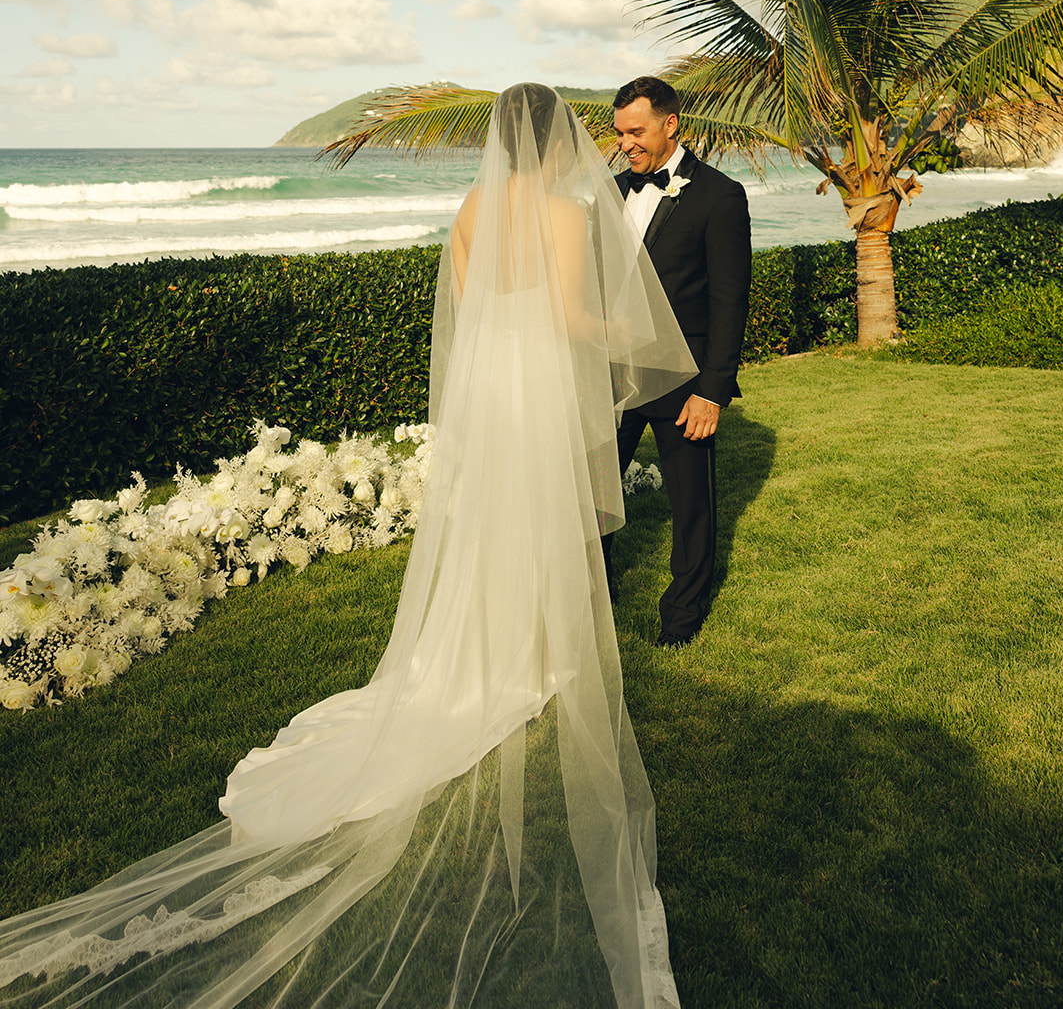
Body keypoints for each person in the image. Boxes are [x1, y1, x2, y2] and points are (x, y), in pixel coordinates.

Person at [0, 84, 698, 1009]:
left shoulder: (476, 204)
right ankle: (525, 655)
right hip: (530, 383)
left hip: (488, 384)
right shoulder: (568, 212)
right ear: (556, 143)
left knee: (489, 520)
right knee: (534, 519)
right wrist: (637, 333)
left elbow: (463, 302)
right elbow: (570, 321)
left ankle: (483, 650)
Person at [607, 76, 752, 649]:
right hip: (610, 375)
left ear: (671, 124)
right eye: (619, 134)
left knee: (691, 507)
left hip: (684, 381)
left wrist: (712, 389)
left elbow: (728, 299)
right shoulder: (609, 191)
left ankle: (682, 617)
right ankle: (595, 602)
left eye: (636, 132)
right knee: (594, 498)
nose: (626, 144)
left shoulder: (720, 195)